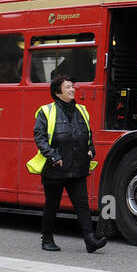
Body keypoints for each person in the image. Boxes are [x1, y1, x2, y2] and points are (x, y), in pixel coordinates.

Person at [33, 75, 106, 253]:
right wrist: (53, 156)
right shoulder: (46, 111)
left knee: (82, 205)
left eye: (73, 87)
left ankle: (90, 240)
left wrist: (91, 149)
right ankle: (47, 239)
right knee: (52, 205)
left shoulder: (82, 110)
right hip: (55, 167)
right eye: (68, 87)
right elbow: (40, 137)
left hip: (78, 166)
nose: (72, 89)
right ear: (58, 92)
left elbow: (87, 134)